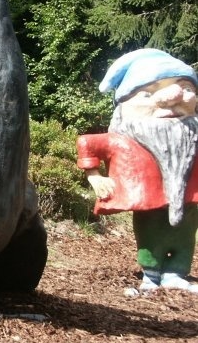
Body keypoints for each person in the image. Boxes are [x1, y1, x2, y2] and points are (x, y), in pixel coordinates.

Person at [76, 48, 198, 295]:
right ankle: (151, 275)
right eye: (147, 93)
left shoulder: (192, 133)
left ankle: (176, 273)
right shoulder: (123, 139)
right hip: (148, 203)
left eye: (186, 88)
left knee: (186, 235)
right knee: (151, 234)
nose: (173, 99)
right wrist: (95, 176)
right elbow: (88, 143)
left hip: (189, 200)